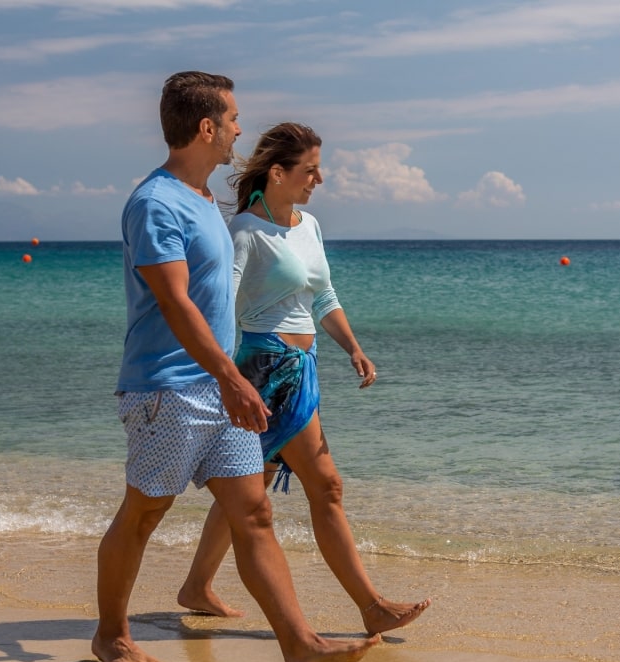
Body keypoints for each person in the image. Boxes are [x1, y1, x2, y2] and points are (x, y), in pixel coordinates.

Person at [92, 73, 379, 662]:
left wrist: (235, 376)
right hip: (168, 387)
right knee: (143, 513)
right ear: (206, 127)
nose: (238, 130)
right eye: (231, 119)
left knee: (254, 514)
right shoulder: (155, 203)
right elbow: (174, 303)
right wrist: (232, 373)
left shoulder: (203, 203)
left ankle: (299, 644)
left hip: (218, 387)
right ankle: (112, 637)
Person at [176, 122, 431, 635]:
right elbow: (219, 306)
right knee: (327, 485)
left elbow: (324, 298)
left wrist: (353, 348)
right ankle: (371, 605)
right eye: (310, 170)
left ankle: (196, 586)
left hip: (303, 369)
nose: (319, 180)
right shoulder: (245, 232)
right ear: (278, 172)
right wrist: (220, 375)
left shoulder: (308, 226)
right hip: (267, 369)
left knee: (251, 488)